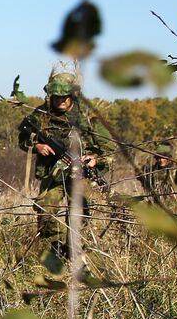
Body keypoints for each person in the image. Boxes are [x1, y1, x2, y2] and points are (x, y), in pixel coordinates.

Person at [16, 65, 114, 260]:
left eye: (65, 96)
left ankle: (74, 253)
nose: (60, 100)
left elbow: (108, 147)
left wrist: (94, 159)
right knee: (45, 209)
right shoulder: (41, 114)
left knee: (79, 214)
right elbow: (23, 138)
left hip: (79, 175)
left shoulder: (87, 115)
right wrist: (37, 147)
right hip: (52, 174)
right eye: (57, 96)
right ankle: (56, 248)